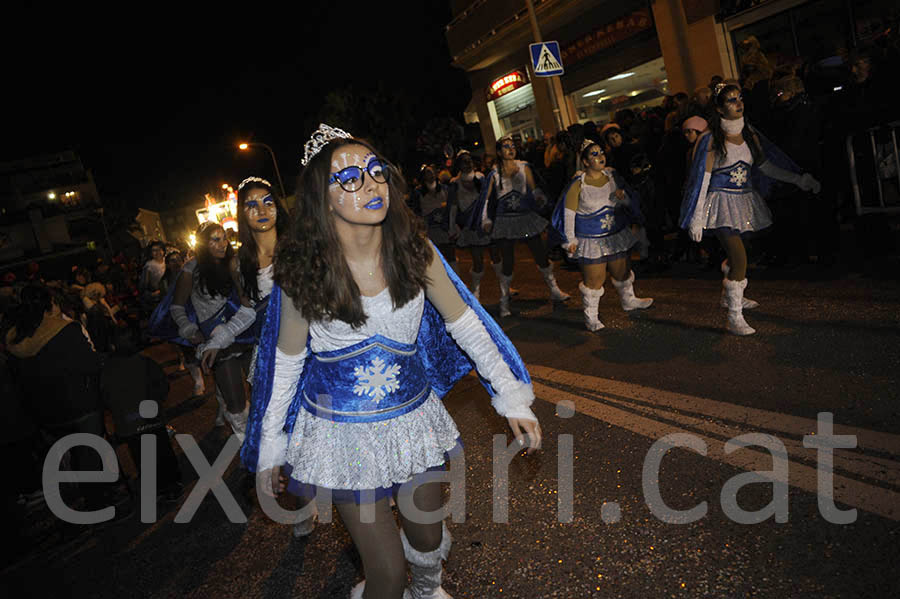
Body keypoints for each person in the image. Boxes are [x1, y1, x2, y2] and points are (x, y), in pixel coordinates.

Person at [241, 124, 541, 599]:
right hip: (342, 440)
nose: (372, 183)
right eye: (351, 177)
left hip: (412, 424)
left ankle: (427, 590)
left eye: (376, 171)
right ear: (324, 195)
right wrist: (271, 445)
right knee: (386, 573)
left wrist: (510, 397)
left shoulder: (414, 251)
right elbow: (286, 365)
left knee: (426, 540)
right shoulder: (300, 272)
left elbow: (467, 325)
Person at [680, 82, 821, 335]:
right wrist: (697, 216)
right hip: (720, 203)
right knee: (740, 259)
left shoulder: (749, 134)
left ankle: (730, 293)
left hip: (744, 200)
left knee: (742, 252)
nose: (738, 103)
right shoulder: (712, 140)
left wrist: (799, 180)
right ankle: (734, 317)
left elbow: (766, 167)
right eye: (731, 100)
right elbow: (702, 180)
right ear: (720, 109)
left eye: (739, 97)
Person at [151, 222, 255, 439]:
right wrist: (190, 330)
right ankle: (252, 454)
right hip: (218, 344)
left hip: (245, 335)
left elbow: (248, 301)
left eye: (224, 238)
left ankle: (268, 450)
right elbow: (177, 307)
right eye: (214, 239)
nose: (222, 244)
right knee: (235, 404)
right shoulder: (191, 270)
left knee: (262, 394)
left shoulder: (234, 263)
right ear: (203, 244)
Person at [550, 141, 653, 331]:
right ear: (585, 161)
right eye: (594, 154)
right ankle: (591, 317)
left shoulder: (613, 176)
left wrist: (624, 198)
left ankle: (629, 301)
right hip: (591, 239)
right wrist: (570, 239)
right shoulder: (578, 184)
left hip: (614, 235)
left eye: (601, 153)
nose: (600, 157)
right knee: (594, 282)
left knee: (622, 273)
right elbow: (568, 214)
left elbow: (628, 203)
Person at [470, 135, 569, 317]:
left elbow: (534, 188)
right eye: (506, 146)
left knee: (540, 253)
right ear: (499, 152)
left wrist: (539, 197)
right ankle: (504, 300)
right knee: (508, 261)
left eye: (512, 146)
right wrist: (486, 220)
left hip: (525, 218)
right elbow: (486, 199)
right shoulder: (494, 173)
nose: (511, 149)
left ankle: (554, 290)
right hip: (505, 221)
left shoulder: (524, 166)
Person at [447, 150, 500, 300]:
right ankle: (475, 292)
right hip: (470, 225)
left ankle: (505, 286)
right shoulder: (454, 183)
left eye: (469, 160)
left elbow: (489, 200)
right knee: (478, 260)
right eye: (464, 161)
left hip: (484, 223)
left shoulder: (481, 178)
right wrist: (452, 226)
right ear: (458, 164)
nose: (467, 163)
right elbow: (453, 207)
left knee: (496, 254)